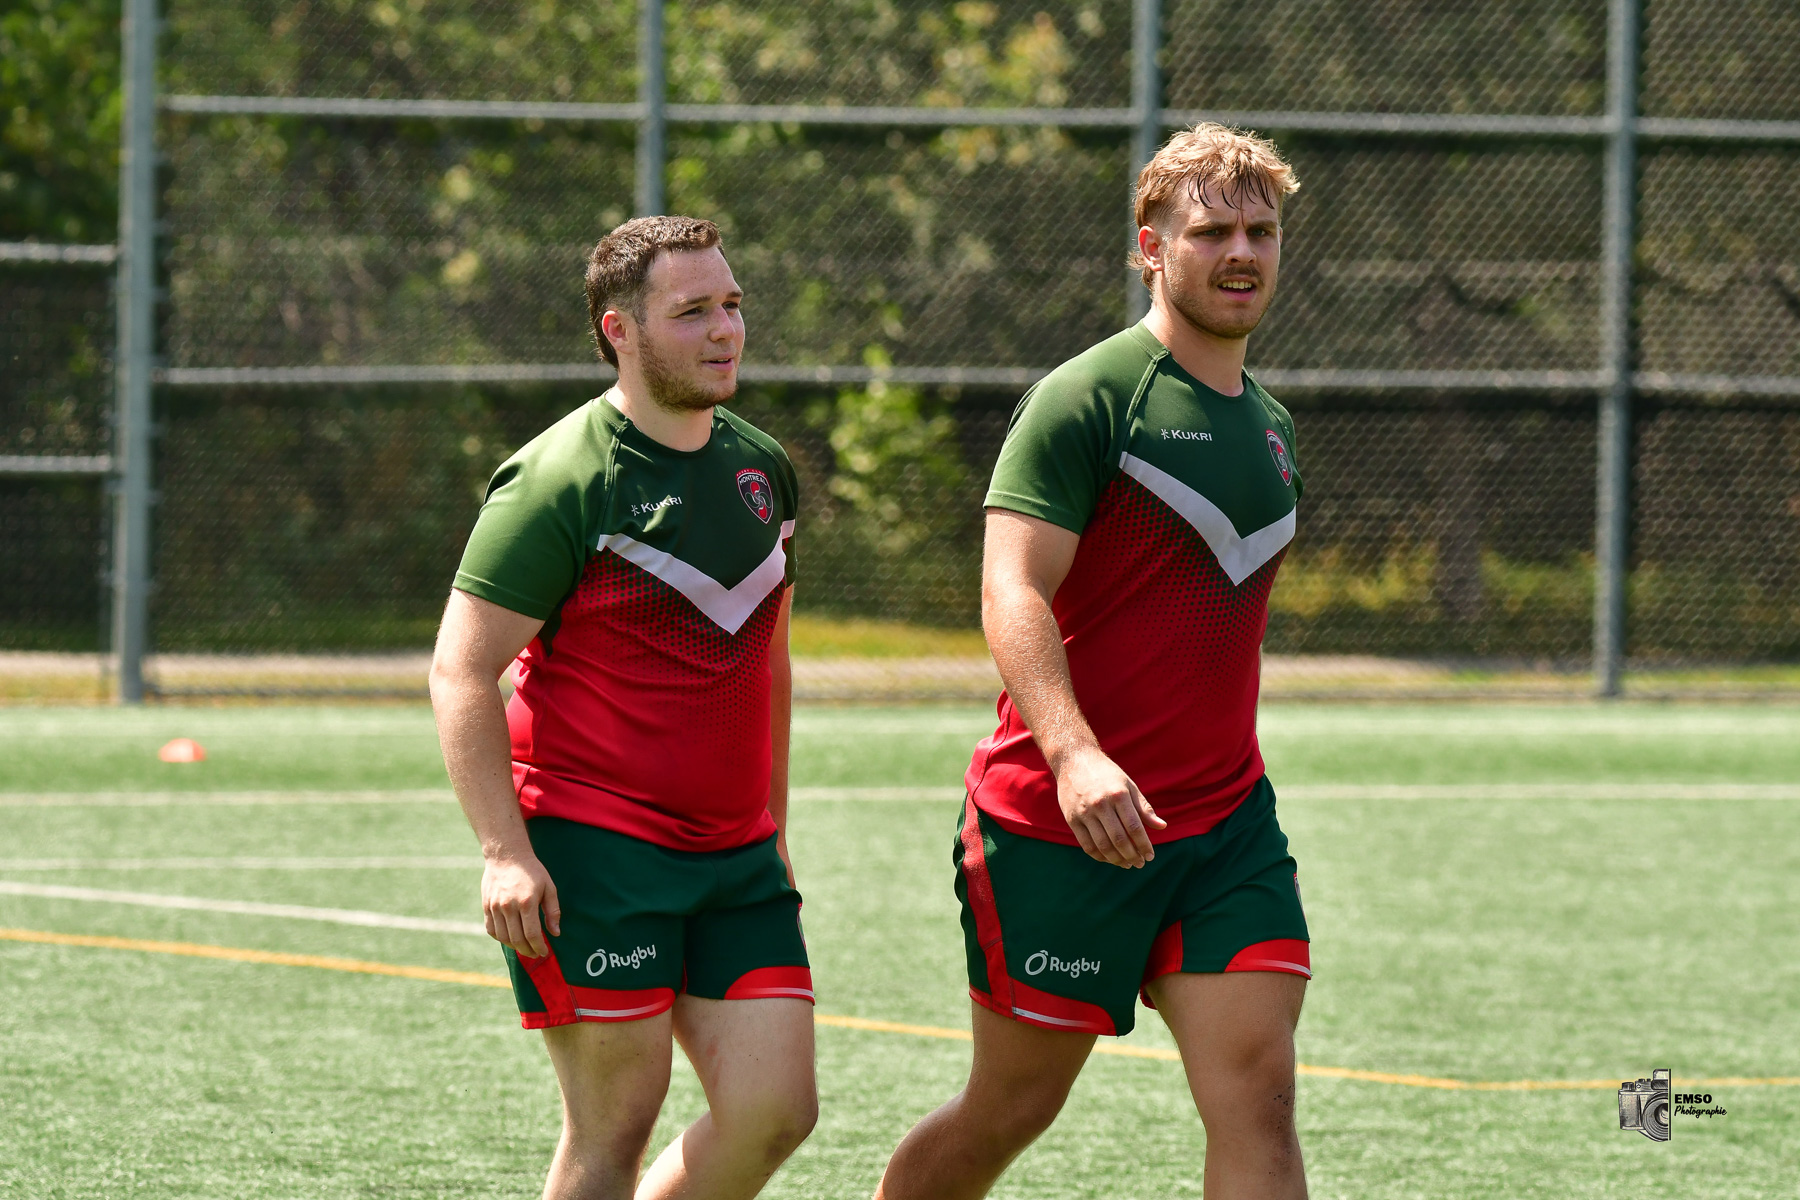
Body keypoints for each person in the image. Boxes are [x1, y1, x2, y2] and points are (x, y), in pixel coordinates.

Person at [874, 124, 1312, 1200]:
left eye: (1261, 230)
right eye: (1210, 231)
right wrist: (1073, 755)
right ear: (1150, 248)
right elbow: (1010, 588)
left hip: (1222, 828)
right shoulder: (1088, 398)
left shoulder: (1269, 424)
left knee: (1257, 1091)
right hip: (1056, 826)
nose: (1241, 252)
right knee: (1012, 1109)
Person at [430, 215, 816, 1200]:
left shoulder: (761, 469)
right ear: (620, 331)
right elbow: (462, 670)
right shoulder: (561, 478)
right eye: (692, 312)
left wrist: (774, 825)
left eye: (731, 305)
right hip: (596, 846)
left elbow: (766, 662)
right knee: (614, 1128)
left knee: (778, 1109)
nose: (725, 330)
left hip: (736, 855)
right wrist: (503, 852)